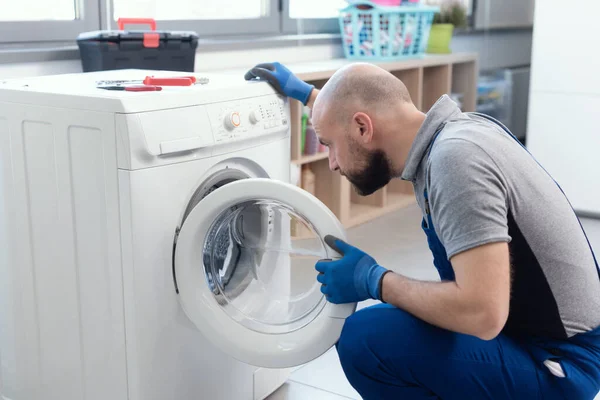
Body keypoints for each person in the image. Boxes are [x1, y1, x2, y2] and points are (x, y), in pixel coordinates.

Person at [244, 62, 600, 399]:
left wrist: (375, 280)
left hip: (560, 363)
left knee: (368, 339)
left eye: (328, 145)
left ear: (363, 128)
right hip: (537, 334)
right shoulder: (454, 132)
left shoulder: (455, 161)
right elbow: (362, 108)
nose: (333, 163)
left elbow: (483, 314)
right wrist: (306, 93)